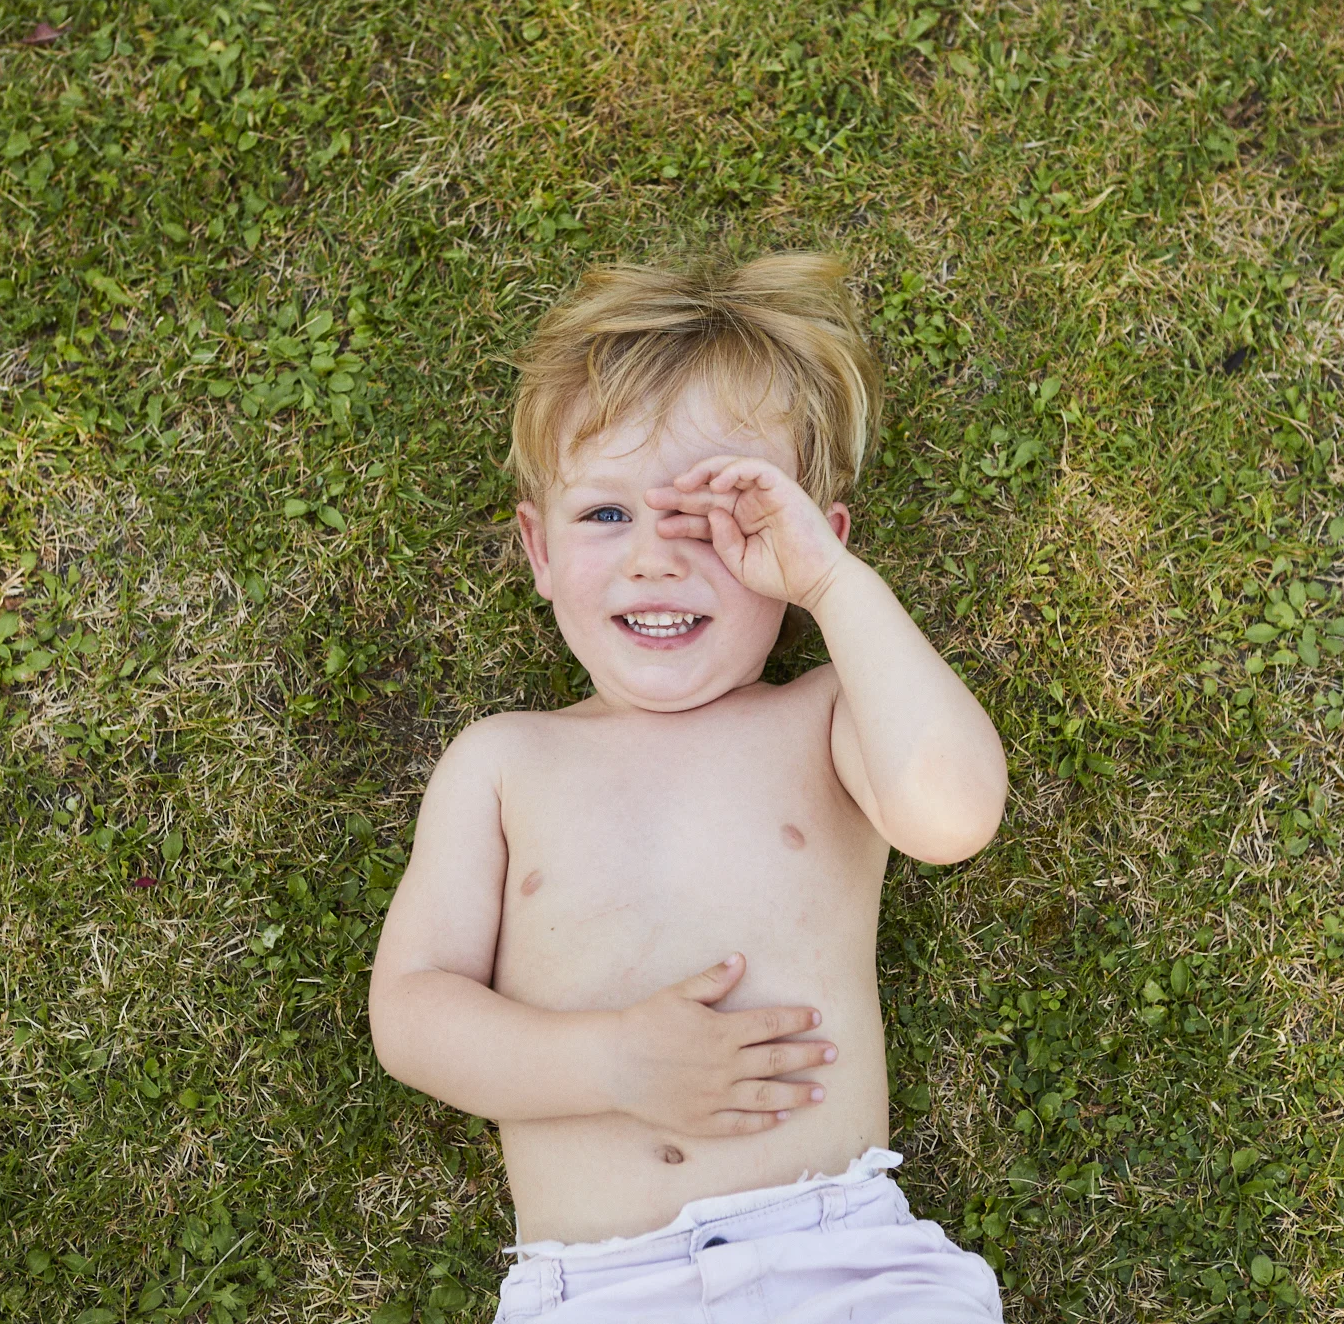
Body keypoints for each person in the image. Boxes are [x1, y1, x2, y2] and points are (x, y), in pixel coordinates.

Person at [367, 252, 1011, 1322]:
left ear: (805, 536)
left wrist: (831, 591)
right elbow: (413, 1010)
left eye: (711, 516)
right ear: (535, 547)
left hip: (840, 1260)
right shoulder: (503, 761)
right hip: (599, 1287)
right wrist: (611, 1061)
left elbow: (950, 811)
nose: (654, 560)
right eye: (605, 516)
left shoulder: (825, 720)